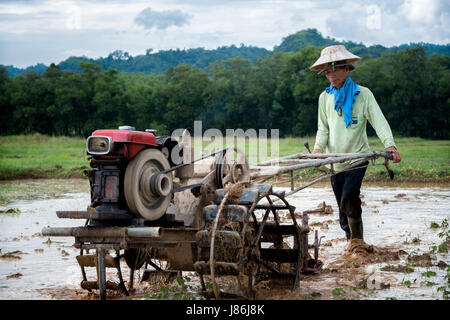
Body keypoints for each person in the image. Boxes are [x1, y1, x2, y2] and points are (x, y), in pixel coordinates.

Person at [310, 45, 401, 245]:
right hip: (334, 161)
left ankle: (357, 242)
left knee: (349, 196)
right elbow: (323, 129)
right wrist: (317, 149)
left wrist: (390, 145)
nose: (331, 76)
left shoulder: (363, 94)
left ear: (347, 69)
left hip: (358, 157)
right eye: (327, 72)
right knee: (341, 201)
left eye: (334, 70)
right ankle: (351, 239)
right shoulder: (325, 98)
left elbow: (379, 120)